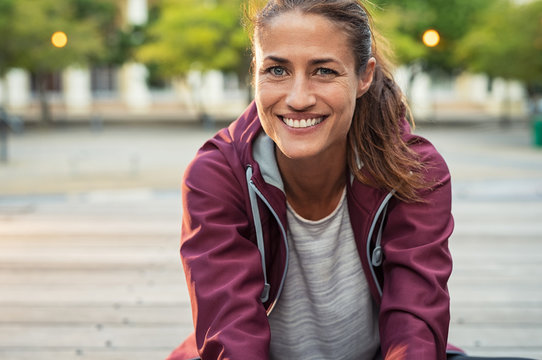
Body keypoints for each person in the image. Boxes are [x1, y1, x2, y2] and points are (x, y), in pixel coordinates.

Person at [166, 1, 535, 359]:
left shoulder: (414, 170)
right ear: (255, 72)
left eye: (324, 71)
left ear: (364, 76)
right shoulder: (215, 175)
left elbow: (415, 324)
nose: (298, 98)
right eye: (276, 70)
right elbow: (229, 336)